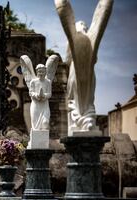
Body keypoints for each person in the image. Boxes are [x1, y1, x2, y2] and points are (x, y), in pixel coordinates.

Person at [55, 0, 113, 132]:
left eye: (84, 27)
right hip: (77, 70)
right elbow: (69, 58)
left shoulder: (86, 43)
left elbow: (68, 59)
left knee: (86, 94)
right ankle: (82, 118)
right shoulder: (74, 42)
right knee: (77, 94)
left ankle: (85, 118)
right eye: (82, 27)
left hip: (85, 70)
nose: (84, 29)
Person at [29, 64, 52, 131]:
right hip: (36, 104)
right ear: (37, 72)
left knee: (45, 123)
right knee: (35, 126)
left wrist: (44, 95)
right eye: (39, 72)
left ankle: (43, 140)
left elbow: (49, 94)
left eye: (42, 72)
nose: (41, 73)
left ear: (45, 72)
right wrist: (37, 95)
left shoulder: (48, 82)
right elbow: (30, 92)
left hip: (44, 105)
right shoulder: (33, 82)